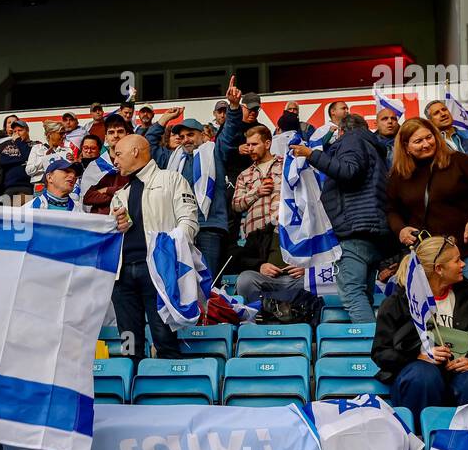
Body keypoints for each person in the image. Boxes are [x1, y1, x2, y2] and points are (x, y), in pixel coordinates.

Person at [373, 234, 468, 419]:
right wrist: (418, 356)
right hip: (417, 374)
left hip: (461, 373)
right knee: (423, 376)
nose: (463, 264)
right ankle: (422, 440)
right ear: (439, 269)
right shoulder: (399, 302)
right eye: (457, 261)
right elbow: (381, 352)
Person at [290, 113, 390, 323]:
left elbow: (348, 171)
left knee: (352, 295)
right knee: (364, 296)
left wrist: (311, 154)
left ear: (341, 131)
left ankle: (373, 351)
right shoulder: (374, 147)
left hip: (355, 229)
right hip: (372, 231)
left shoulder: (352, 140)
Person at [109, 135, 199, 365]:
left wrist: (170, 254)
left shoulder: (171, 179)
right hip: (123, 276)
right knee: (128, 340)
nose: (114, 160)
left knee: (163, 337)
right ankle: (128, 386)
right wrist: (116, 226)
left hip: (157, 271)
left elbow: (189, 222)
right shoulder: (120, 194)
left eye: (118, 154)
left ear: (136, 151)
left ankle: (167, 392)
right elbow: (116, 234)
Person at [386, 117, 468, 300]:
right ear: (406, 147)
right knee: (437, 307)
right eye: (418, 141)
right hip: (430, 255)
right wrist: (400, 229)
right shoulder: (399, 175)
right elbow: (391, 209)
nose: (426, 144)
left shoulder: (459, 160)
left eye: (429, 137)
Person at [231, 126, 304, 302]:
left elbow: (303, 195)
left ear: (268, 143)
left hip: (286, 231)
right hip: (256, 238)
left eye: (254, 144)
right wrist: (257, 192)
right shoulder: (244, 175)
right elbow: (236, 205)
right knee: (247, 279)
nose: (250, 149)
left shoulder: (286, 164)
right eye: (248, 145)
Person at [157, 117, 233, 278]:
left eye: (190, 135)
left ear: (203, 135)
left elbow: (229, 134)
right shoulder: (174, 161)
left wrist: (233, 109)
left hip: (208, 227)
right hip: (181, 228)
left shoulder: (214, 152)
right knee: (182, 281)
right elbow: (149, 147)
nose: (186, 140)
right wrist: (162, 121)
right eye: (182, 137)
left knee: (207, 280)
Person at [83, 113, 133, 214]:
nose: (116, 135)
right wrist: (120, 194)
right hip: (101, 222)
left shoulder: (134, 164)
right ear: (106, 138)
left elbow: (136, 193)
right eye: (111, 132)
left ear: (127, 135)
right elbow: (87, 200)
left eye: (120, 131)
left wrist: (105, 190)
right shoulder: (95, 166)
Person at [424, 99, 468, 171]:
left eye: (444, 109)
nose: (443, 114)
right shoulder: (432, 144)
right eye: (436, 113)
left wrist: (453, 164)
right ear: (430, 122)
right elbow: (440, 169)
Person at [25, 121, 77, 186]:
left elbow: (71, 173)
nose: (64, 136)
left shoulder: (67, 150)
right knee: (21, 196)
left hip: (60, 186)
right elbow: (29, 171)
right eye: (61, 133)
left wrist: (73, 162)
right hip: (41, 185)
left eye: (64, 133)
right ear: (50, 134)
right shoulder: (37, 148)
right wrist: (44, 158)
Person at [0, 119, 34, 204]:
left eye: (20, 130)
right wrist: (22, 160)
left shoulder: (35, 145)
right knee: (4, 215)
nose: (17, 134)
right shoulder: (9, 146)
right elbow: (3, 162)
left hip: (26, 186)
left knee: (22, 215)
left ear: (27, 131)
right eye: (15, 131)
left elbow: (28, 157)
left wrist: (18, 142)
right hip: (8, 187)